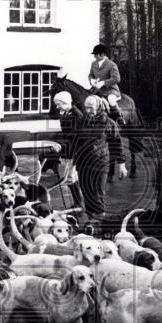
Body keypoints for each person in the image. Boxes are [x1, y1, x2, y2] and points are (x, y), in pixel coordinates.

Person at [72, 94, 127, 223]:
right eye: (86, 108)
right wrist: (72, 163)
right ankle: (92, 222)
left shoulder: (109, 123)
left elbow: (117, 144)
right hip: (83, 164)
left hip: (100, 163)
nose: (88, 111)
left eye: (90, 108)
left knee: (98, 193)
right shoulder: (83, 122)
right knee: (87, 194)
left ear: (99, 107)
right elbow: (75, 142)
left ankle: (101, 222)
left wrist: (122, 164)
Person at [88, 44, 124, 125]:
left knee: (111, 100)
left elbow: (117, 79)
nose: (94, 57)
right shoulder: (93, 64)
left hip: (111, 90)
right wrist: (92, 80)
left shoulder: (111, 65)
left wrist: (104, 83)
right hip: (97, 90)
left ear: (102, 54)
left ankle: (120, 117)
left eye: (96, 55)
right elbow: (90, 75)